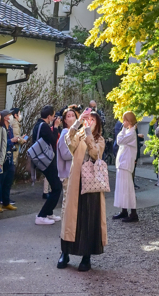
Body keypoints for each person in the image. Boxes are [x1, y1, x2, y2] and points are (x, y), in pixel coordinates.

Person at [58, 107, 107, 272]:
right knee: (70, 217)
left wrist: (88, 134)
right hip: (76, 181)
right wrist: (79, 122)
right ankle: (65, 253)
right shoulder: (78, 135)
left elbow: (95, 154)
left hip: (92, 184)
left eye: (93, 120)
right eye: (88, 119)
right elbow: (67, 140)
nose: (90, 122)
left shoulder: (99, 139)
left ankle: (86, 257)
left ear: (97, 123)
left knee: (88, 218)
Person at [34, 104, 63, 225]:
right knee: (57, 187)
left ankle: (49, 212)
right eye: (53, 115)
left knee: (54, 186)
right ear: (50, 116)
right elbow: (52, 139)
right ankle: (41, 215)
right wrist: (55, 127)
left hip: (41, 159)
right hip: (47, 161)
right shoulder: (45, 126)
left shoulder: (38, 125)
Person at [113, 111, 138, 222]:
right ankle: (124, 210)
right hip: (122, 163)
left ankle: (133, 213)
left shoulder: (131, 133)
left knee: (128, 188)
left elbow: (119, 140)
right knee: (122, 187)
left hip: (126, 163)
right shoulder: (129, 131)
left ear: (129, 121)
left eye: (125, 120)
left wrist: (123, 129)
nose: (123, 122)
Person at [57, 106, 79, 202]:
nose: (71, 117)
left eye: (73, 115)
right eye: (68, 116)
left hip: (74, 172)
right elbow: (65, 155)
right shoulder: (65, 133)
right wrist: (78, 152)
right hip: (67, 174)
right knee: (67, 202)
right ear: (65, 120)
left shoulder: (76, 133)